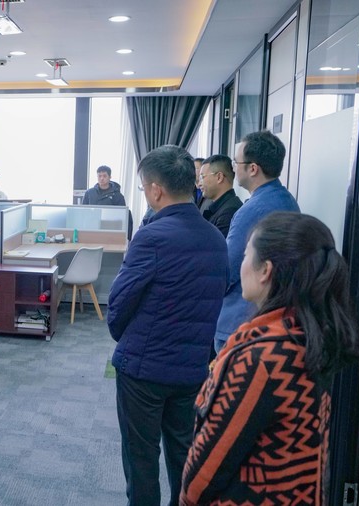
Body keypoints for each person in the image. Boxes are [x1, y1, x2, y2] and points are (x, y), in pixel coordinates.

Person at [180, 213, 359, 505]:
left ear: (265, 270)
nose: (241, 265)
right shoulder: (309, 336)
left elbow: (203, 475)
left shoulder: (259, 358)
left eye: (245, 256)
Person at [108, 145, 228, 506]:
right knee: (185, 453)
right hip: (192, 369)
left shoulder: (151, 237)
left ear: (156, 190)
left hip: (144, 369)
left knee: (141, 457)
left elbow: (118, 305)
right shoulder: (216, 238)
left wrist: (124, 337)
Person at [214, 130, 299, 353]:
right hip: (273, 316)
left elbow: (228, 270)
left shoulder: (251, 211)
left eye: (236, 162)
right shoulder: (288, 201)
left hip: (240, 321)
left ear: (253, 169)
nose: (233, 168)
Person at [198, 154, 242, 237]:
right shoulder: (221, 207)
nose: (199, 184)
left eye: (202, 177)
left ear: (219, 177)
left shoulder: (229, 212)